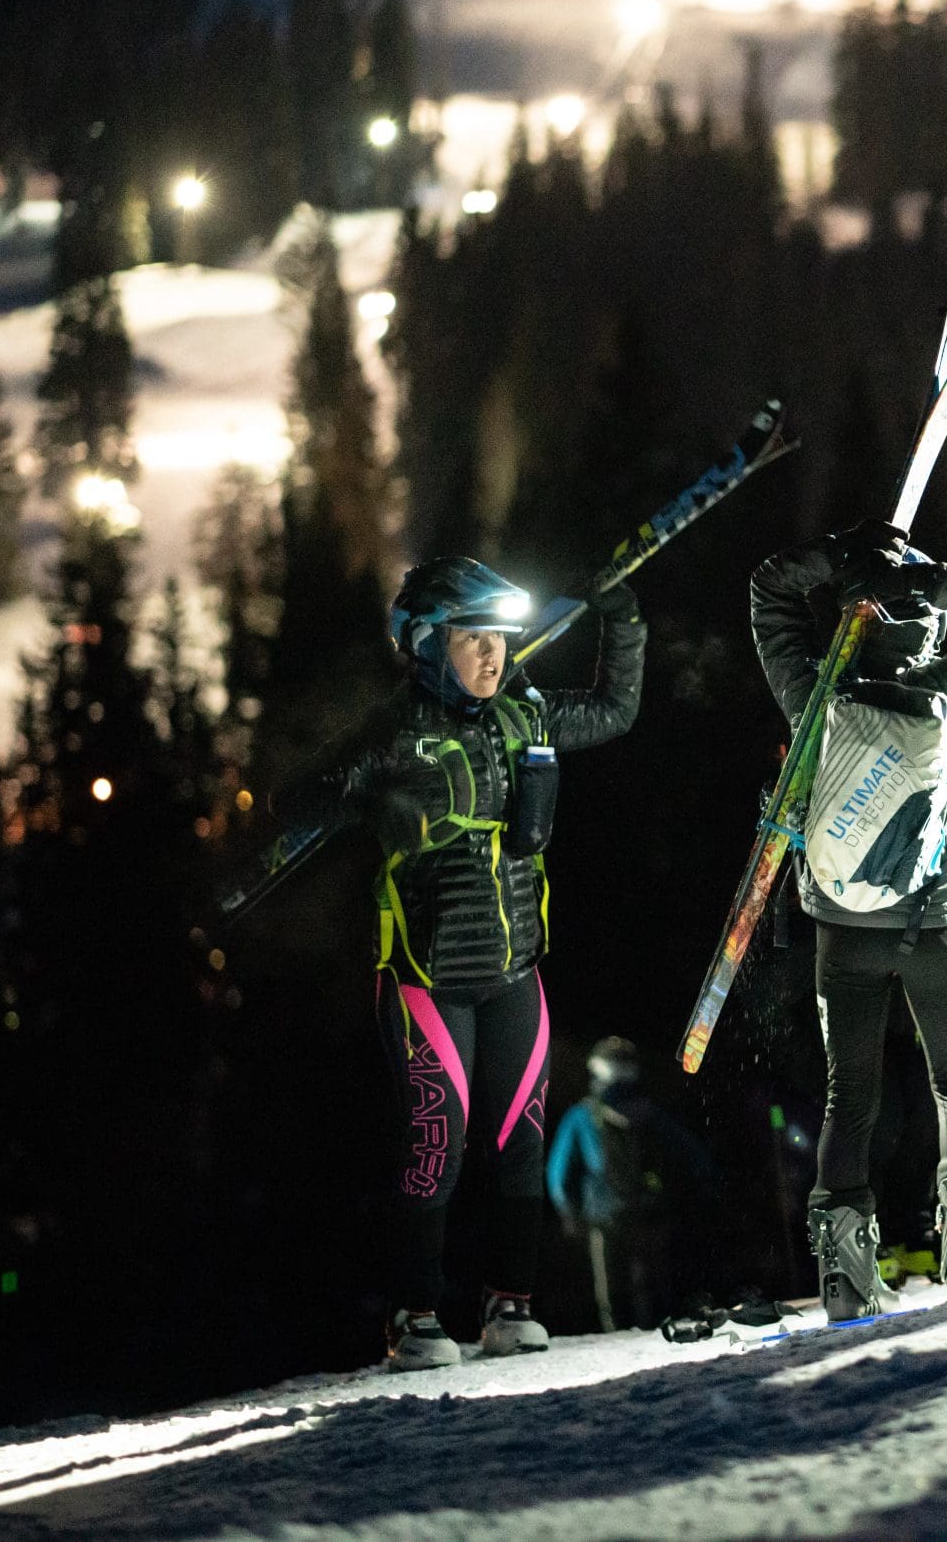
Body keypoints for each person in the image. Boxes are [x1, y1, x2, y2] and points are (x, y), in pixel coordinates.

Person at [282, 556, 644, 1368]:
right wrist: (364, 786)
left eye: (501, 640)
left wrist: (621, 619)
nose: (493, 656)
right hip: (425, 984)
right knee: (434, 1142)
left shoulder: (528, 715)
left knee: (520, 1138)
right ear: (425, 644)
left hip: (517, 974)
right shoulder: (393, 731)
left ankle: (510, 1303)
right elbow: (297, 802)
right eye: (473, 640)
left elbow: (618, 708)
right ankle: (414, 1316)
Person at [749, 520, 947, 1320]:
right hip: (931, 920)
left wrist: (839, 559)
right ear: (924, 624)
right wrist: (928, 577)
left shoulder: (816, 696)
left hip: (842, 929)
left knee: (851, 1097)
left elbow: (770, 587)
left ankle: (843, 1276)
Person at [546, 1037, 714, 1331]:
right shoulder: (652, 1114)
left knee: (611, 1293)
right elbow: (695, 1156)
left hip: (603, 1216)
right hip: (650, 1212)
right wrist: (702, 1197)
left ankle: (619, 1346)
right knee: (653, 1289)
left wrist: (568, 1213)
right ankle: (660, 1340)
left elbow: (558, 1172)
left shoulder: (582, 1115)